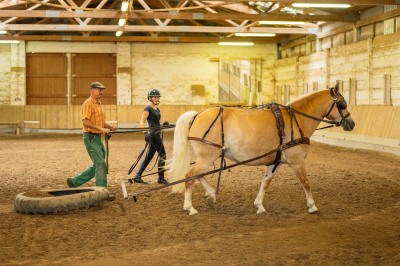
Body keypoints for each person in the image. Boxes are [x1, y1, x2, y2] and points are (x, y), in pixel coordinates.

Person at [66, 81, 117, 200]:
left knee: (99, 163)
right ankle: (101, 191)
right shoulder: (88, 104)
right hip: (90, 136)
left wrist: (109, 126)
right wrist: (101, 129)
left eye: (102, 90)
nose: (101, 92)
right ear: (92, 90)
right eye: (99, 90)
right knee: (100, 163)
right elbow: (85, 122)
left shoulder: (98, 104)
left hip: (97, 137)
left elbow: (98, 122)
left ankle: (75, 182)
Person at [133, 89, 169, 184]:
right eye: (155, 97)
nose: (157, 98)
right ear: (150, 98)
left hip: (156, 133)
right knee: (163, 154)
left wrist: (164, 125)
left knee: (149, 156)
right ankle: (161, 178)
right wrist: (145, 133)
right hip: (153, 134)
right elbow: (142, 121)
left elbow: (159, 123)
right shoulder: (147, 109)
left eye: (158, 97)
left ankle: (137, 176)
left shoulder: (157, 109)